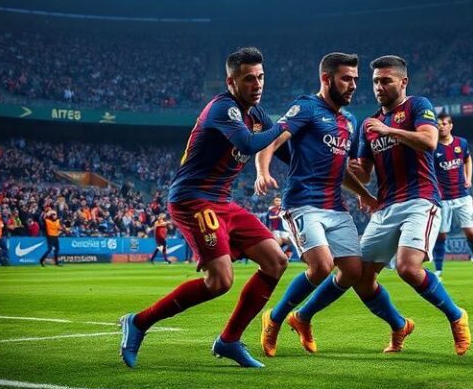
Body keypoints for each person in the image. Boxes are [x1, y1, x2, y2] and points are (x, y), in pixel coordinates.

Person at [119, 47, 289, 369]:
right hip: (192, 198)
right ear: (231, 82)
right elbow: (248, 144)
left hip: (222, 201)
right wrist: (284, 124)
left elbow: (284, 151)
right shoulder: (223, 108)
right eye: (249, 78)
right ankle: (138, 322)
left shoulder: (256, 114)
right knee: (220, 281)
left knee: (276, 261)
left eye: (261, 77)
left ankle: (229, 341)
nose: (257, 84)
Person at [255, 52, 377, 356]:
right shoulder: (307, 108)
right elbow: (271, 140)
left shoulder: (350, 121)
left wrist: (364, 193)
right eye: (346, 79)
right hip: (302, 202)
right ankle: (274, 319)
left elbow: (342, 170)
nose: (353, 85)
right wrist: (262, 171)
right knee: (322, 265)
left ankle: (303, 317)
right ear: (326, 78)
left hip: (335, 206)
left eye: (355, 79)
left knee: (353, 271)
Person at [349, 55, 471, 355]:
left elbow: (429, 141)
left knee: (407, 267)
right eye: (375, 81)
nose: (379, 87)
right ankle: (399, 325)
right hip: (385, 206)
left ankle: (456, 315)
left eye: (386, 80)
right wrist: (349, 167)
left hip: (420, 199)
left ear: (403, 81)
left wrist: (389, 131)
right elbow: (364, 173)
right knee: (359, 277)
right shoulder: (368, 124)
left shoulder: (418, 105)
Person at [432, 112, 473, 280]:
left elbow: (467, 159)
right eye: (438, 124)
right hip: (443, 199)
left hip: (462, 196)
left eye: (444, 123)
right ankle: (439, 271)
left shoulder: (461, 143)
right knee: (441, 235)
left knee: (471, 233)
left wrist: (468, 178)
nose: (441, 126)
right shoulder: (433, 147)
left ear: (450, 126)